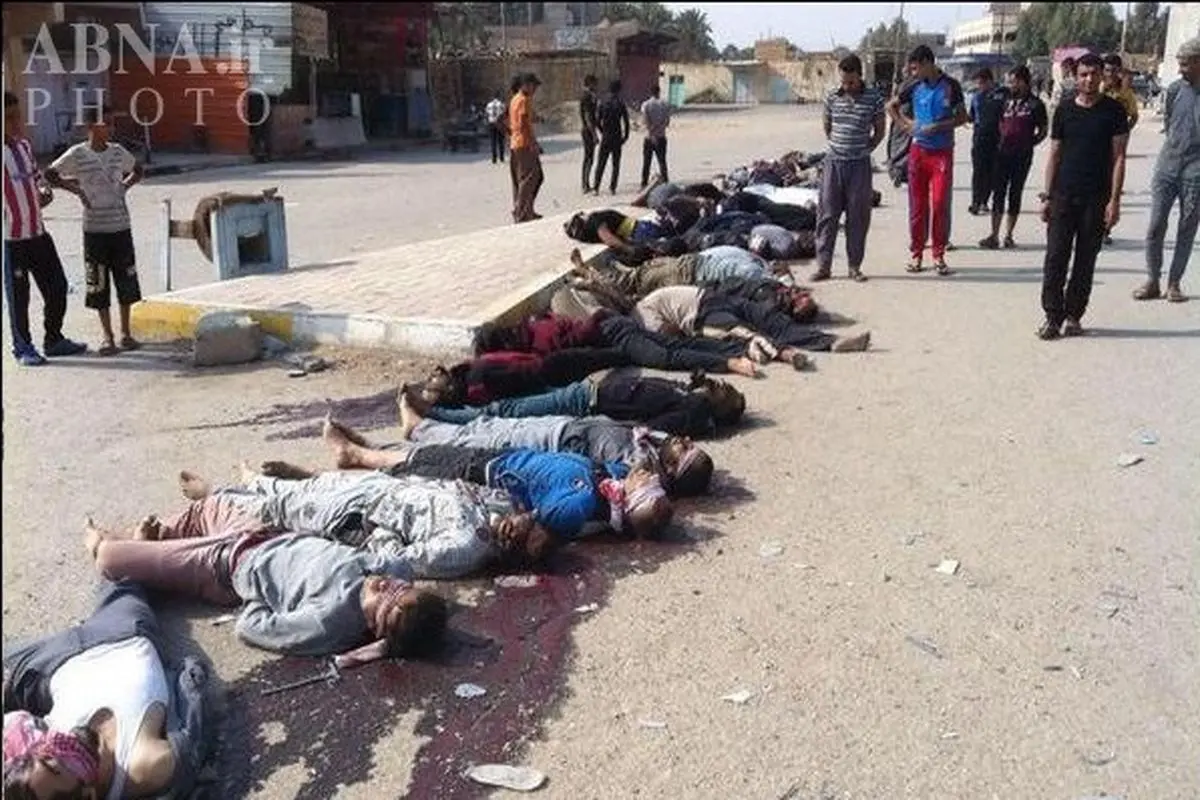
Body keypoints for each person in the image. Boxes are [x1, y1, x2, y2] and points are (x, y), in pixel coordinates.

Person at [85, 500, 449, 658]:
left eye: (386, 604)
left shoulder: (330, 621)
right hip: (257, 533)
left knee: (107, 557)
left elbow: (251, 627)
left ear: (374, 629)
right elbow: (401, 567)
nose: (385, 587)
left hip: (222, 565)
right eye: (399, 589)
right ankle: (155, 543)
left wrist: (257, 588)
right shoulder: (385, 574)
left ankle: (130, 544)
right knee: (207, 506)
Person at [2, 581, 208, 800]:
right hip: (119, 635)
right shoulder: (144, 766)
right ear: (88, 795)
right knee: (119, 571)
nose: (50, 744)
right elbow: (192, 724)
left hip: (47, 663)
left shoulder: (47, 754)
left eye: (34, 753)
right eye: (53, 765)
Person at [177, 465, 553, 580]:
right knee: (306, 488)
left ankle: (213, 496)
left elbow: (399, 561)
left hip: (361, 517)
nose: (512, 532)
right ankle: (256, 480)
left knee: (280, 510)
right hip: (379, 487)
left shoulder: (466, 548)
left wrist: (378, 529)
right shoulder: (498, 502)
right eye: (523, 527)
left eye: (517, 544)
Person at [324, 422, 674, 541]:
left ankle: (352, 459)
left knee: (416, 467)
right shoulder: (614, 480)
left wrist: (522, 518)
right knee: (427, 455)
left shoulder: (581, 504)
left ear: (630, 502)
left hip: (486, 477)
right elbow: (629, 472)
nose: (647, 476)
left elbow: (541, 522)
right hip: (506, 457)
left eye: (647, 484)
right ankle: (364, 453)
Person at [391, 389, 716, 497]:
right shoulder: (659, 447)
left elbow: (593, 471)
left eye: (686, 449)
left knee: (483, 437)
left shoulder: (639, 466)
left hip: (553, 443)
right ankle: (425, 424)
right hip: (563, 427)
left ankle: (417, 431)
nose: (685, 440)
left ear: (672, 469)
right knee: (491, 425)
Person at [1036, 53, 1129, 340]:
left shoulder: (1114, 111)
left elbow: (1119, 158)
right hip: (1063, 195)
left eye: (1094, 74)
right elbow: (1054, 154)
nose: (1089, 80)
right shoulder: (1064, 110)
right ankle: (1052, 317)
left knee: (1085, 260)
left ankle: (1074, 315)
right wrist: (1047, 196)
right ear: (1075, 77)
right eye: (1083, 74)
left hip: (1095, 198)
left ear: (1102, 76)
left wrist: (1114, 201)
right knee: (1055, 258)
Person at [45, 106, 145, 356]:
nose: (110, 128)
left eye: (111, 123)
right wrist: (77, 190)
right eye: (105, 124)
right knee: (98, 284)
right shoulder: (78, 154)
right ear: (90, 126)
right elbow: (51, 173)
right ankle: (107, 337)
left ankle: (126, 333)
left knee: (125, 282)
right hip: (94, 230)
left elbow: (138, 169)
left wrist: (125, 187)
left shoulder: (117, 152)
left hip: (120, 226)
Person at [2, 91, 89, 366]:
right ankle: (23, 348)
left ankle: (53, 339)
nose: (16, 123)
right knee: (19, 298)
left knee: (57, 287)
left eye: (17, 116)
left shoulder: (23, 147)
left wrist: (44, 193)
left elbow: (37, 178)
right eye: (9, 118)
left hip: (38, 233)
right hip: (12, 240)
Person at [418, 368, 747, 439]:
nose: (721, 385)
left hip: (584, 403)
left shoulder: (692, 410)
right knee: (510, 404)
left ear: (719, 408)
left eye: (726, 391)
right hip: (585, 393)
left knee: (503, 412)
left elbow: (647, 429)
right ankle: (439, 409)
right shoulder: (689, 396)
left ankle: (432, 413)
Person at [633, 284, 872, 363]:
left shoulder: (641, 313)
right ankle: (820, 345)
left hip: (704, 311)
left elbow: (670, 333)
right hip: (709, 302)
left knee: (758, 328)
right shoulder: (645, 306)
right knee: (756, 329)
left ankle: (828, 343)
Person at [887, 45, 967, 276]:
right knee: (917, 205)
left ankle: (938, 254)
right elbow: (890, 106)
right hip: (918, 153)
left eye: (915, 68)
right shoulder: (914, 86)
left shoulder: (951, 86)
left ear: (927, 63)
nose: (913, 73)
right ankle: (917, 253)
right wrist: (905, 125)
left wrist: (938, 126)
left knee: (940, 203)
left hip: (941, 153)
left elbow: (963, 117)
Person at [1135, 36, 1200, 303]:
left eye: (1186, 64)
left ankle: (1174, 283)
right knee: (1155, 225)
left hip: (1195, 170)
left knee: (1187, 226)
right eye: (1179, 63)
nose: (1181, 69)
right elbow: (1171, 123)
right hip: (1168, 165)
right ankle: (1153, 279)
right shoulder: (1174, 90)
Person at [812, 53, 886, 283]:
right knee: (827, 215)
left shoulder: (874, 98)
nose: (847, 86)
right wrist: (839, 146)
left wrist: (865, 148)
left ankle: (854, 266)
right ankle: (823, 266)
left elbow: (880, 130)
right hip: (834, 163)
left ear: (860, 76)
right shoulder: (832, 97)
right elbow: (827, 125)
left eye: (851, 82)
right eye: (844, 82)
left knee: (858, 217)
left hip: (859, 166)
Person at [980, 66, 1047, 250]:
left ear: (1024, 81)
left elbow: (1043, 130)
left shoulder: (1035, 104)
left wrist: (1031, 142)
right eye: (1009, 81)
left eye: (1013, 81)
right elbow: (996, 121)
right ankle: (994, 235)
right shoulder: (1004, 101)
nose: (1010, 85)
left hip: (1022, 156)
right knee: (998, 193)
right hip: (1002, 154)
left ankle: (1009, 235)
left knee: (1015, 193)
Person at [1100, 54, 1141, 246]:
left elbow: (1134, 115)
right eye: (1107, 70)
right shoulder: (1098, 89)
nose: (1110, 74)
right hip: (1096, 143)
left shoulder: (1126, 93)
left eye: (1114, 71)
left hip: (1115, 145)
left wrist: (1125, 130)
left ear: (1119, 72)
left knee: (1111, 187)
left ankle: (1105, 228)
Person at [967, 67, 1009, 216]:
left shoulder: (1001, 95)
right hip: (979, 138)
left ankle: (984, 201)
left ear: (990, 81)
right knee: (978, 171)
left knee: (991, 172)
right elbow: (971, 117)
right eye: (978, 83)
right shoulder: (976, 97)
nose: (979, 86)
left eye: (981, 83)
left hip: (996, 138)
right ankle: (975, 201)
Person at [509, 73, 544, 224]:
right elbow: (523, 123)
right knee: (530, 178)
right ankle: (521, 212)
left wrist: (537, 118)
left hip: (517, 143)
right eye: (533, 86)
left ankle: (525, 209)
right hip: (524, 144)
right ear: (526, 85)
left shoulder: (515, 99)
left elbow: (522, 119)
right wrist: (533, 144)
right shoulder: (523, 100)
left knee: (528, 178)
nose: (535, 89)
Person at [593, 80, 630, 195]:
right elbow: (626, 122)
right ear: (618, 90)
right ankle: (612, 187)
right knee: (615, 164)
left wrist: (602, 131)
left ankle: (596, 187)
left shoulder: (603, 103)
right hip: (617, 136)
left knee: (601, 163)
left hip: (606, 136)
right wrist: (625, 136)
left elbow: (597, 121)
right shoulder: (620, 103)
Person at [640, 84, 671, 188]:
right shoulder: (665, 104)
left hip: (649, 138)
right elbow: (667, 122)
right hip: (661, 136)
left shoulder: (646, 105)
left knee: (646, 162)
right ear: (659, 92)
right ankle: (665, 182)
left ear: (651, 92)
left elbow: (645, 121)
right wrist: (658, 127)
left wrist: (651, 130)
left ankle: (644, 183)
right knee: (662, 161)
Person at [579, 74, 600, 194]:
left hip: (587, 130)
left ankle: (585, 184)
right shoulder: (587, 96)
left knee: (589, 158)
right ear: (590, 83)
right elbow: (588, 117)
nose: (596, 86)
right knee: (588, 158)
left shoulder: (589, 95)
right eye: (595, 83)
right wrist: (594, 134)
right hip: (588, 131)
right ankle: (585, 184)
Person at [485, 90, 507, 165]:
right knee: (500, 141)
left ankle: (494, 158)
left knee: (493, 141)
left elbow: (487, 113)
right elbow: (503, 113)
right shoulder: (501, 104)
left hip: (491, 123)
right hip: (499, 123)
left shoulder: (489, 104)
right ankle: (501, 157)